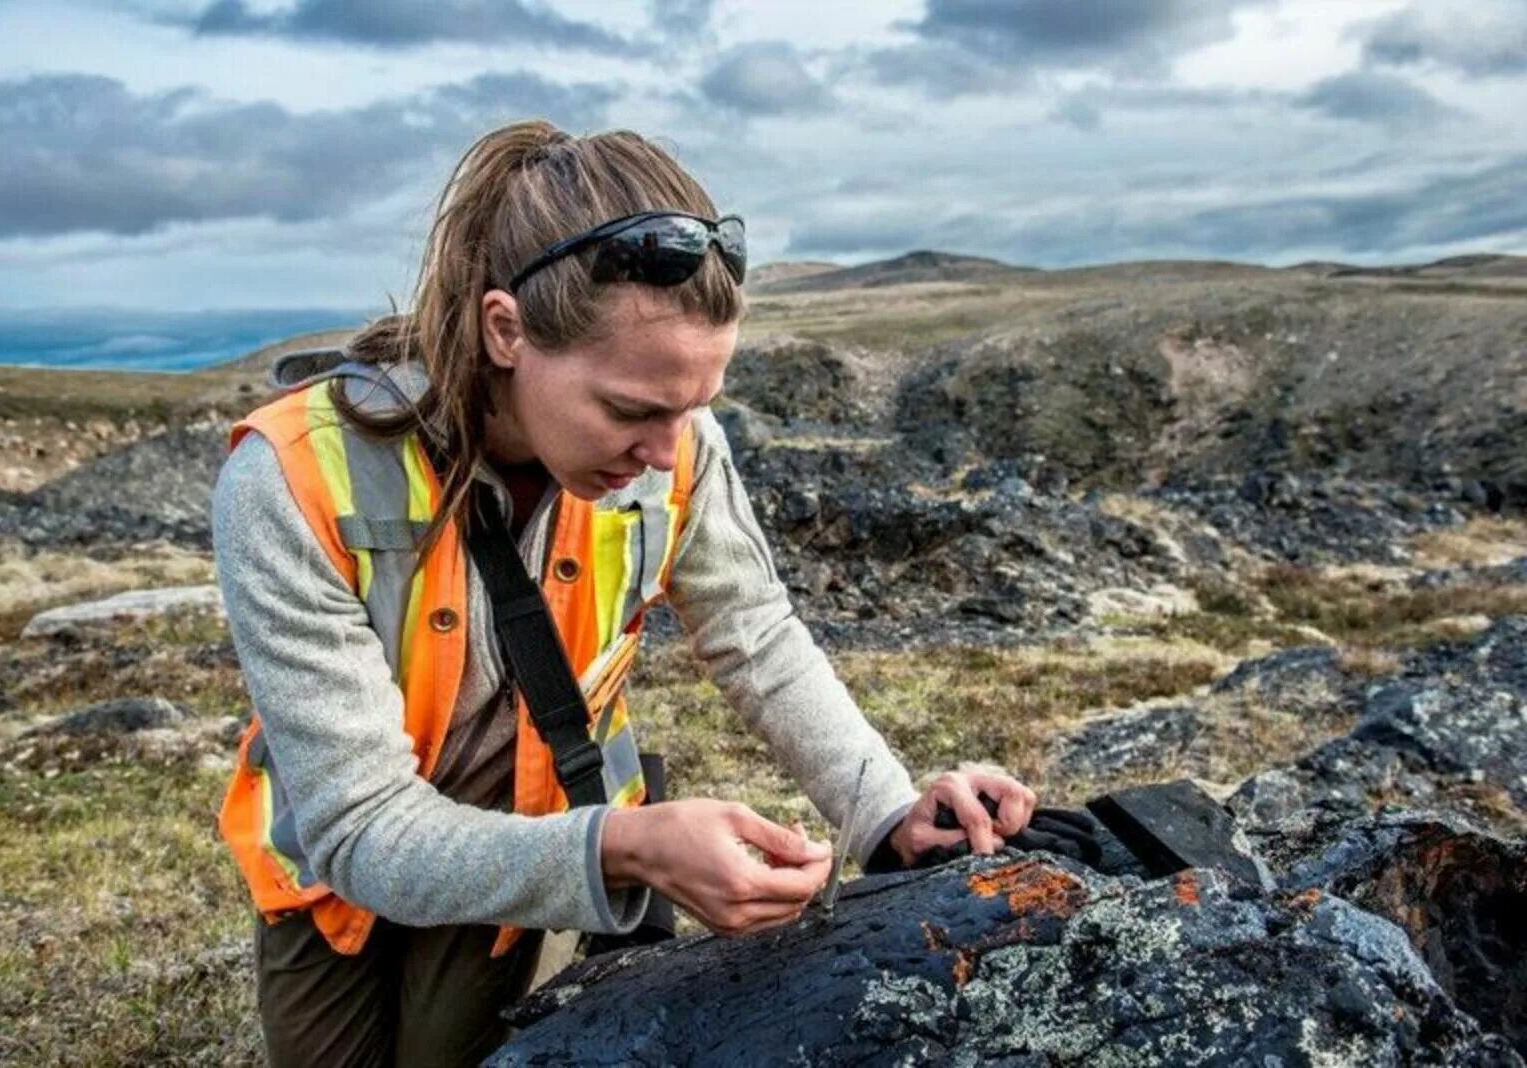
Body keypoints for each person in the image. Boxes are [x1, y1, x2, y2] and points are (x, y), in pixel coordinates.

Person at [211, 119, 1038, 1067]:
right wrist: (630, 849)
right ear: (505, 330)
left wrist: (890, 820)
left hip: (555, 823)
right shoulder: (292, 480)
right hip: (336, 872)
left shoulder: (681, 449)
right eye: (631, 410)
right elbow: (360, 826)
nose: (666, 452)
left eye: (694, 406)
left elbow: (757, 636)